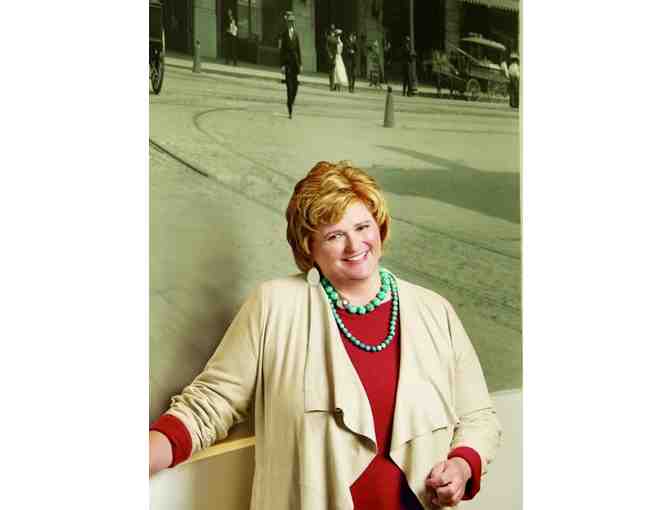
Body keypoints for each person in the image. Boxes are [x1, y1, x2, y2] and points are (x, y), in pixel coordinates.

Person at [149, 160, 502, 510]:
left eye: (362, 226)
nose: (354, 245)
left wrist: (462, 465)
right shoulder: (274, 305)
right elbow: (211, 404)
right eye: (334, 235)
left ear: (379, 227)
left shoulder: (435, 310)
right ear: (309, 247)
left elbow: (478, 417)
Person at [278, 12, 302, 119]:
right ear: (287, 23)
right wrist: (282, 65)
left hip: (295, 63)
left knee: (295, 86)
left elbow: (298, 49)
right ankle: (290, 109)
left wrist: (300, 64)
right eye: (289, 22)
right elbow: (281, 51)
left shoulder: (296, 34)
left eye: (292, 22)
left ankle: (291, 101)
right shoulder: (283, 35)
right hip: (287, 63)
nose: (290, 23)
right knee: (289, 87)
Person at [326, 25, 338, 91]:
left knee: (333, 71)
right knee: (330, 72)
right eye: (332, 31)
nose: (333, 32)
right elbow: (327, 47)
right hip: (330, 56)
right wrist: (329, 54)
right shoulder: (328, 38)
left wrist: (335, 55)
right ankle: (331, 85)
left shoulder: (336, 39)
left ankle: (332, 86)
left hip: (334, 56)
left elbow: (336, 48)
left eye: (333, 31)